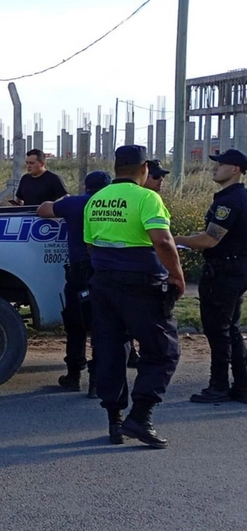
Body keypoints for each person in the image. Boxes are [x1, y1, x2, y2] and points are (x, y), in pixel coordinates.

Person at [84, 145, 185, 448]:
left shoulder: (95, 200)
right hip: (141, 284)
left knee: (111, 350)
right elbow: (163, 241)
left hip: (103, 283)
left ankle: (115, 422)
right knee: (163, 350)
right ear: (144, 169)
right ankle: (140, 417)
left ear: (116, 167)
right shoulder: (147, 198)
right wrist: (177, 276)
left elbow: (91, 246)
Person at [175, 149, 247, 404]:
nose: (214, 168)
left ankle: (219, 385)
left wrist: (174, 240)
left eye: (220, 164)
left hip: (224, 273)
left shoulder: (228, 201)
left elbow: (210, 239)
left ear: (235, 169)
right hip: (235, 270)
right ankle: (241, 384)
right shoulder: (238, 197)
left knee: (218, 330)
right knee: (231, 329)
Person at [37, 171, 112, 398]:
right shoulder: (115, 206)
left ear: (85, 186)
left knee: (76, 325)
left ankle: (73, 375)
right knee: (103, 326)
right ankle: (97, 381)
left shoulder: (74, 203)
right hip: (106, 272)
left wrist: (63, 201)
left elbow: (43, 209)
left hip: (80, 273)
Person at [125, 159, 173, 369]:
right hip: (142, 274)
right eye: (155, 176)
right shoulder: (146, 199)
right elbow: (161, 241)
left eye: (162, 176)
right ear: (143, 175)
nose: (160, 180)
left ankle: (132, 354)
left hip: (123, 273)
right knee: (148, 325)